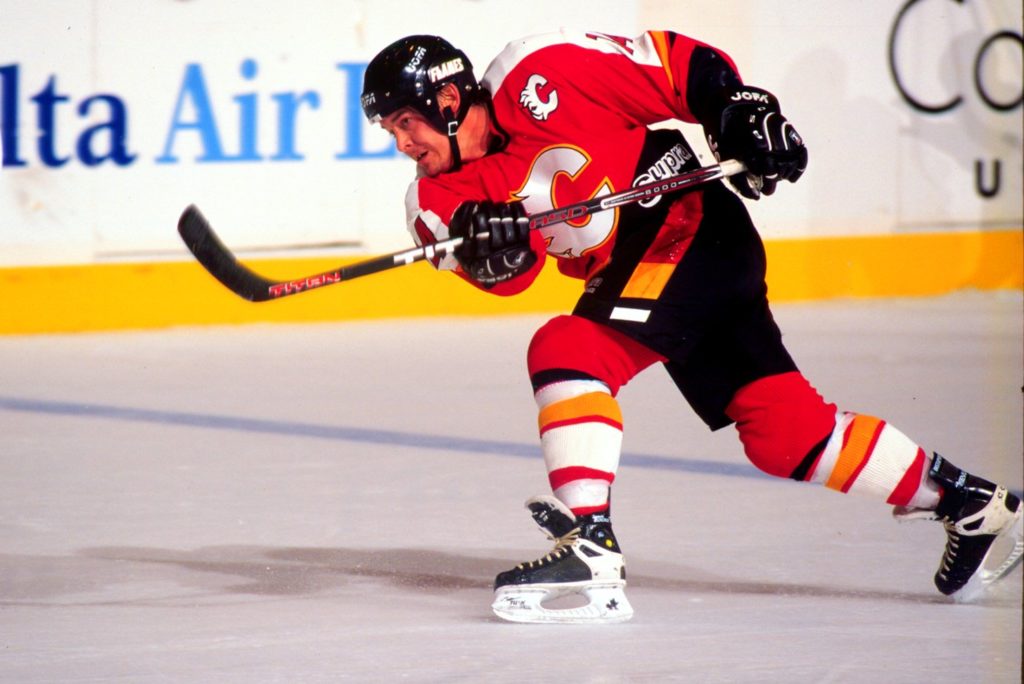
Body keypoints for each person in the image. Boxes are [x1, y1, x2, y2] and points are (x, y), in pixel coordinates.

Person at [360, 30, 1022, 624]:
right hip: (654, 272)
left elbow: (679, 67)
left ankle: (589, 543)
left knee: (568, 349)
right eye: (391, 130)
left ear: (449, 99)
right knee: (786, 435)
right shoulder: (434, 201)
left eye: (406, 122)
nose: (402, 144)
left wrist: (738, 111)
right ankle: (968, 503)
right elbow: (511, 279)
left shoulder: (539, 71)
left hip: (692, 226)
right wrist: (493, 248)